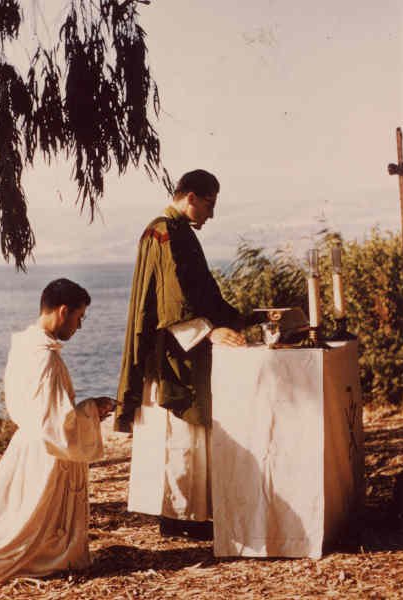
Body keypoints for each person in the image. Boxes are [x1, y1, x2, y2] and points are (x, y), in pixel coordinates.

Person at [0, 278, 114, 583]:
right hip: (45, 452)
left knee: (15, 515)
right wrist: (93, 409)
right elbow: (56, 423)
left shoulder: (26, 345)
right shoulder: (46, 358)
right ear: (63, 311)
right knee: (26, 525)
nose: (79, 327)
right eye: (79, 318)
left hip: (28, 445)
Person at [115, 169, 247, 540]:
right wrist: (210, 331)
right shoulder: (165, 232)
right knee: (179, 433)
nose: (211, 214)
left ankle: (187, 513)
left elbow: (202, 291)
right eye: (208, 204)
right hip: (175, 350)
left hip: (183, 344)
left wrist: (238, 319)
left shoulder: (177, 232)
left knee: (184, 434)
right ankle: (180, 517)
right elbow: (174, 301)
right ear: (190, 196)